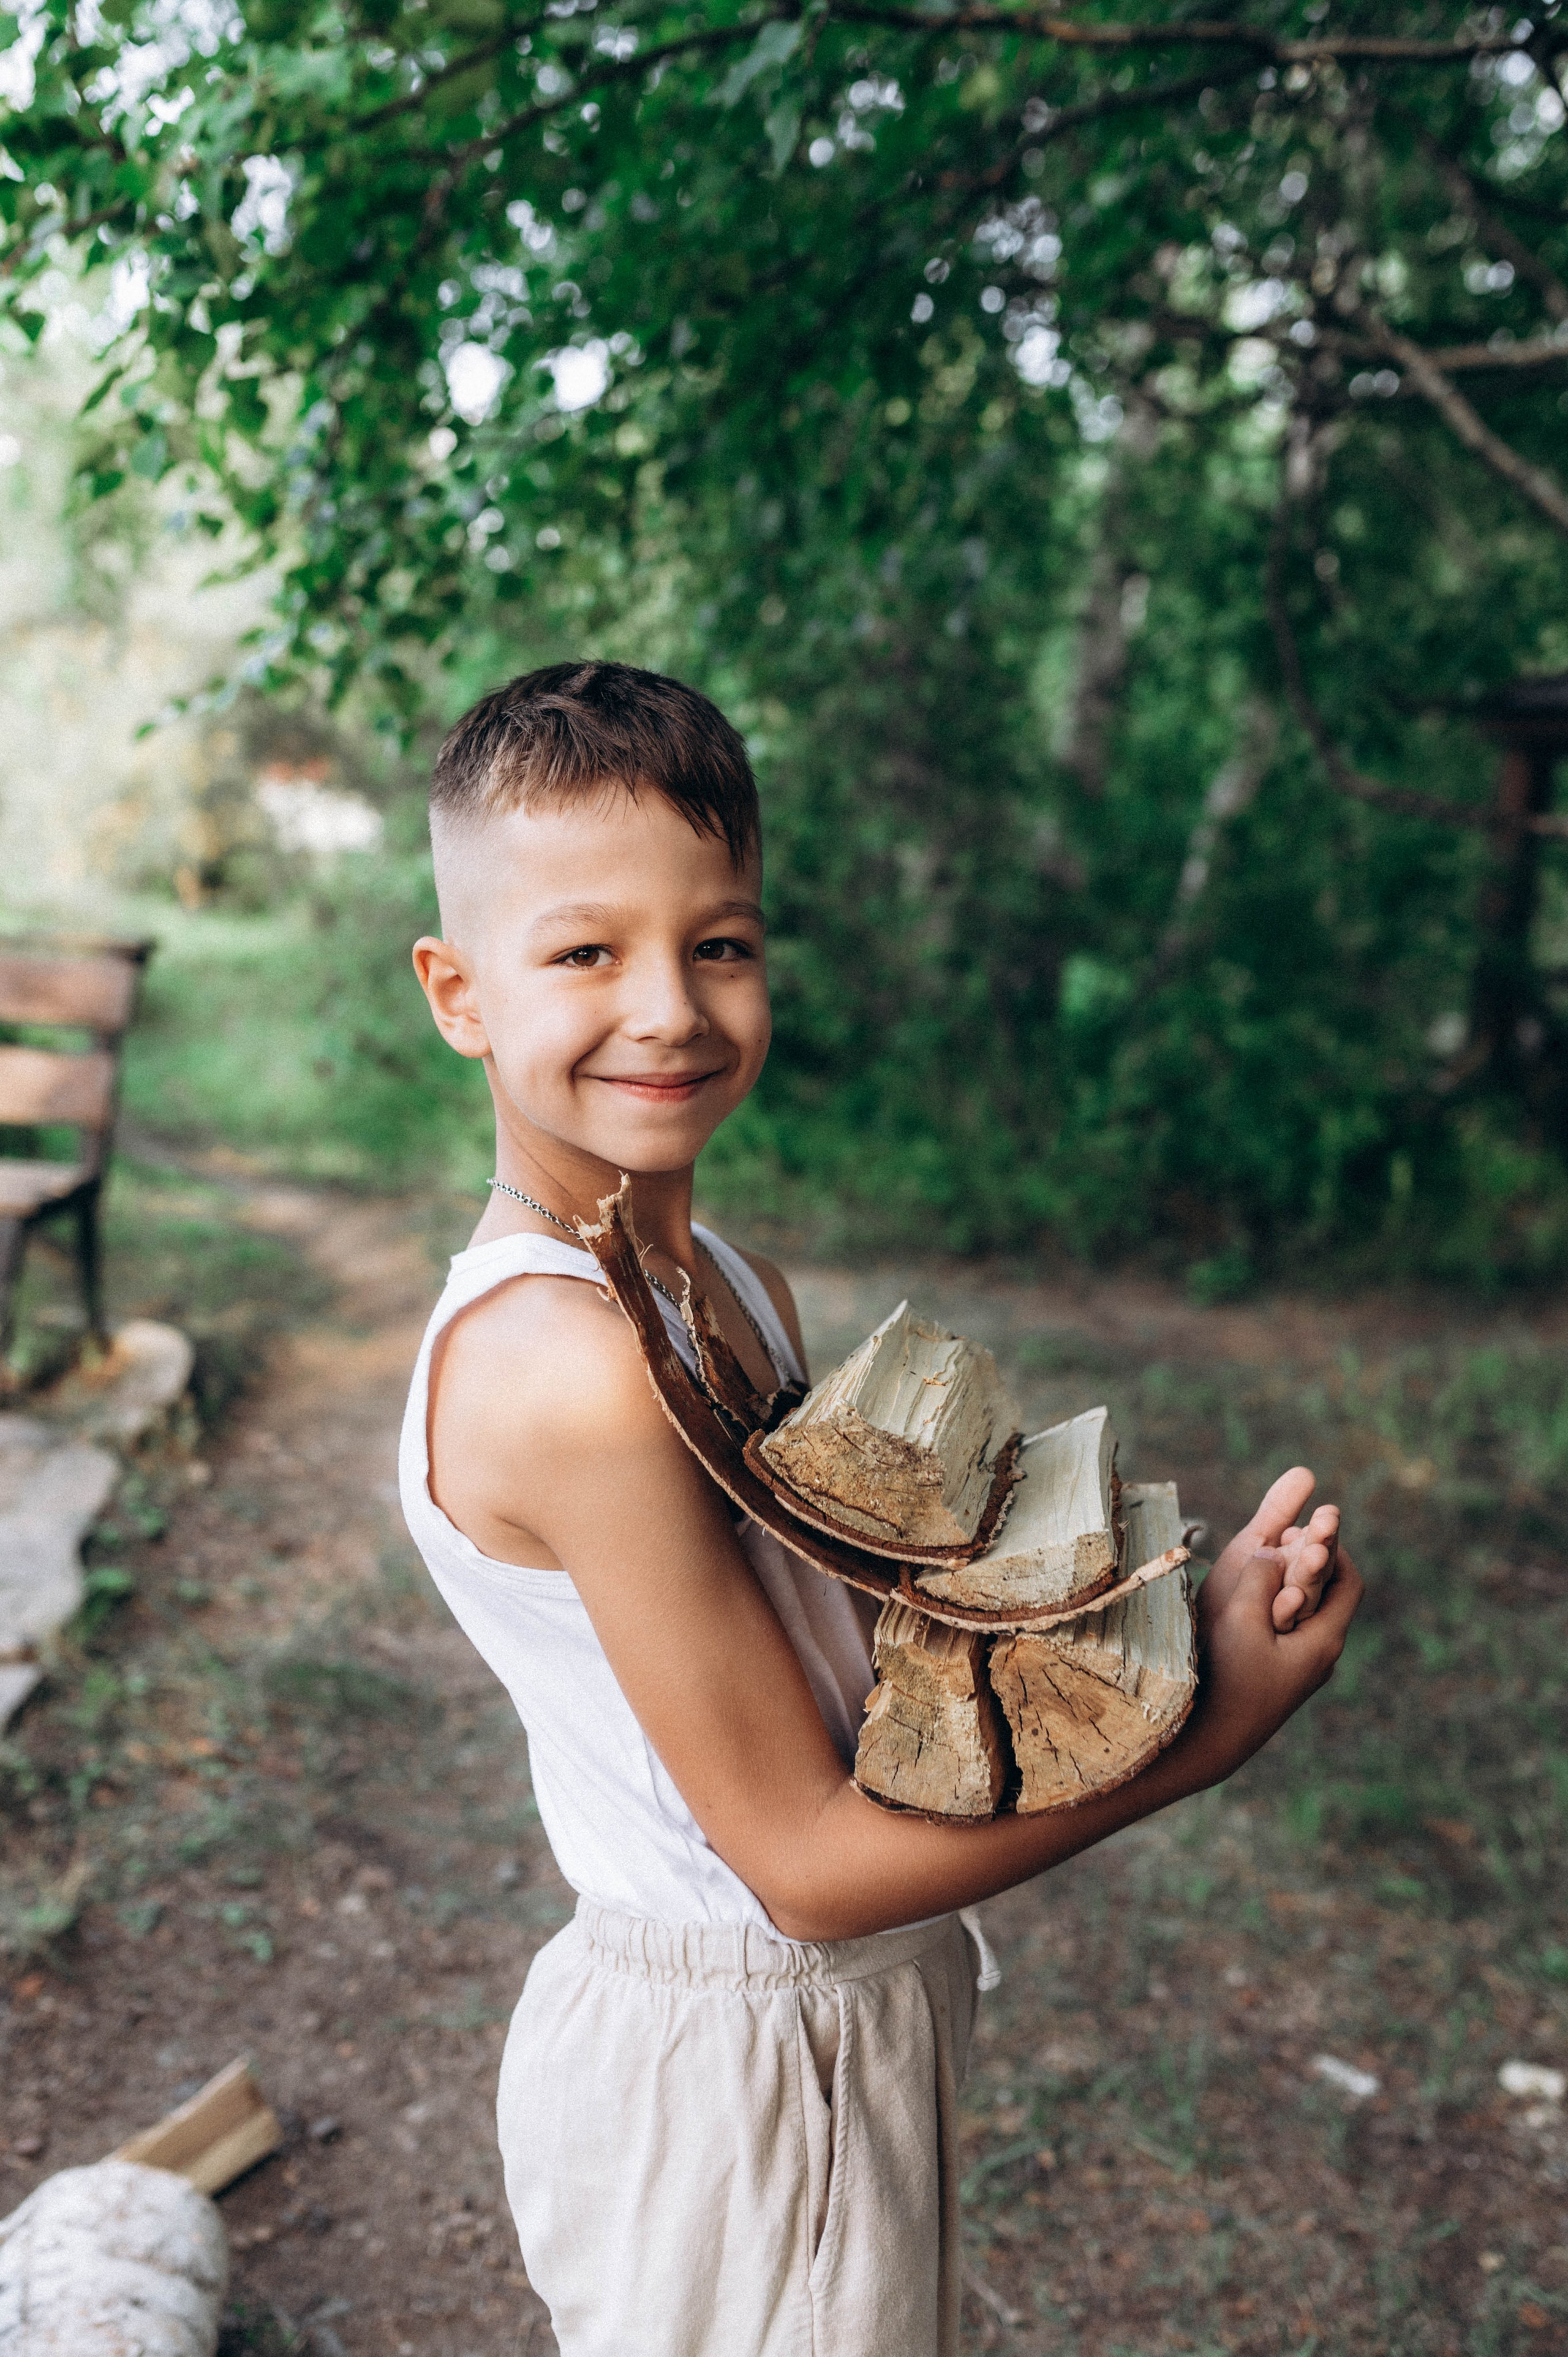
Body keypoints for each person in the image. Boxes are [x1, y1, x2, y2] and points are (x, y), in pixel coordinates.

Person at [399, 659, 1361, 2357]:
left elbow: (876, 1692)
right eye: (584, 953)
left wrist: (1157, 1634)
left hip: (838, 2028)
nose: (670, 1008)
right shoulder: (565, 1369)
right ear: (459, 992)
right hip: (739, 2067)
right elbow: (807, 1867)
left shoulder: (723, 1281)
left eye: (720, 942)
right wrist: (1210, 1737)